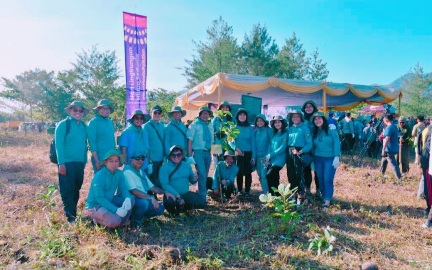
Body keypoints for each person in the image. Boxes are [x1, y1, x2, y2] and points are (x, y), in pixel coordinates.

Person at [119, 151, 176, 227]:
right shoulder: (127, 172)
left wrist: (165, 192)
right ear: (131, 160)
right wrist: (151, 198)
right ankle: (135, 223)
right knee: (143, 203)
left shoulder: (141, 172)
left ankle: (139, 216)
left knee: (160, 209)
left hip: (142, 198)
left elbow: (153, 188)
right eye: (137, 158)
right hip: (131, 200)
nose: (140, 160)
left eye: (142, 158)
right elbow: (134, 191)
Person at [55, 100, 88, 222]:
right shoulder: (63, 125)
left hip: (79, 163)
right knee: (67, 189)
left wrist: (84, 160)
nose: (78, 112)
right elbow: (59, 145)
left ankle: (73, 213)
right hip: (66, 163)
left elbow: (85, 145)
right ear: (70, 111)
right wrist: (61, 163)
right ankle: (70, 217)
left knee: (76, 188)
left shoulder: (83, 126)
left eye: (81, 110)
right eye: (75, 110)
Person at [85, 150, 133, 228]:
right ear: (105, 162)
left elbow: (123, 189)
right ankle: (97, 219)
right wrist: (116, 210)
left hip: (109, 200)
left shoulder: (119, 173)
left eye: (116, 161)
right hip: (95, 205)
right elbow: (99, 198)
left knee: (131, 200)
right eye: (111, 161)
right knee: (116, 221)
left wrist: (127, 198)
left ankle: (122, 223)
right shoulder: (99, 176)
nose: (114, 164)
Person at [160, 146, 206, 215]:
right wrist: (178, 196)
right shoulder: (164, 168)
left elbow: (192, 181)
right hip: (173, 195)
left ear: (182, 155)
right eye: (173, 155)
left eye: (179, 155)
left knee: (202, 202)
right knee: (169, 203)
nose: (176, 157)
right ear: (170, 156)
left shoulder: (187, 165)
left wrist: (195, 178)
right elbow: (165, 185)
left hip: (186, 194)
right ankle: (173, 211)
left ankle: (183, 207)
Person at [311, 112, 341, 210]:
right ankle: (324, 196)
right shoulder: (315, 131)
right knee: (320, 178)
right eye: (315, 119)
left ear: (323, 120)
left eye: (319, 118)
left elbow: (337, 142)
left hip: (330, 158)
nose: (317, 121)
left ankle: (327, 201)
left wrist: (337, 156)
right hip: (318, 158)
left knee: (327, 178)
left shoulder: (331, 129)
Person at [285, 110, 312, 205]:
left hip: (300, 152)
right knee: (290, 173)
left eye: (297, 116)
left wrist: (300, 151)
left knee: (299, 174)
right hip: (290, 152)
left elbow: (309, 144)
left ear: (300, 118)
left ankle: (300, 195)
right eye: (293, 117)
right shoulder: (289, 129)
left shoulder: (305, 128)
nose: (295, 118)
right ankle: (293, 193)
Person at [187, 106, 214, 197]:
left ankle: (199, 190)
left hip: (208, 152)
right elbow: (190, 141)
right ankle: (203, 196)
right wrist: (190, 156)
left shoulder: (210, 125)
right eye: (203, 113)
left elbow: (212, 140)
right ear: (199, 115)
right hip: (198, 153)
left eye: (207, 114)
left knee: (205, 174)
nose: (205, 115)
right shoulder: (194, 125)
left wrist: (214, 152)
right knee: (202, 174)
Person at [232, 108, 256, 198]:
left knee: (248, 172)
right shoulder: (234, 127)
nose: (242, 116)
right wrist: (235, 148)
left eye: (244, 115)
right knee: (239, 172)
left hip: (248, 153)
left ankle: (247, 191)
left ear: (246, 117)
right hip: (238, 153)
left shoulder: (251, 128)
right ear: (237, 116)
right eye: (240, 115)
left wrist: (254, 156)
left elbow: (253, 142)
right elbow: (230, 141)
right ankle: (239, 191)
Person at [87, 99, 116, 172]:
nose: (105, 110)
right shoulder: (93, 123)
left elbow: (112, 140)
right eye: (102, 108)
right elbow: (92, 143)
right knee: (101, 180)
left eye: (107, 108)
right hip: (100, 158)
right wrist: (97, 161)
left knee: (111, 180)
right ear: (98, 109)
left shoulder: (110, 122)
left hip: (111, 158)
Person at [265, 116, 288, 195]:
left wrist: (270, 155)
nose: (277, 124)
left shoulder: (285, 133)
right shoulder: (274, 134)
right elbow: (270, 146)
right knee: (274, 178)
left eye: (279, 122)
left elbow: (282, 148)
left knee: (269, 175)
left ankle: (273, 195)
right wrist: (268, 157)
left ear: (282, 123)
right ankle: (276, 197)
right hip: (272, 159)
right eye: (275, 122)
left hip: (280, 159)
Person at [143, 105, 165, 187]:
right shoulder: (146, 126)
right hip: (151, 158)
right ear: (150, 113)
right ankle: (150, 196)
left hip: (161, 158)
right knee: (150, 178)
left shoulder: (162, 126)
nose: (157, 114)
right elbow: (145, 144)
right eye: (155, 112)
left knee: (158, 178)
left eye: (159, 113)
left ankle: (155, 195)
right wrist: (148, 159)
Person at [301, 100, 319, 196]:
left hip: (317, 149)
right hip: (305, 149)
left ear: (314, 108)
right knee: (306, 170)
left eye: (310, 106)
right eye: (306, 107)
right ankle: (307, 189)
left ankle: (318, 190)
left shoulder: (318, 118)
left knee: (317, 171)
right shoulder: (302, 120)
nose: (308, 108)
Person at [380, 114, 402, 182]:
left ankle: (399, 178)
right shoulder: (394, 126)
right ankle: (380, 175)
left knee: (393, 165)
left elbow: (387, 139)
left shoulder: (389, 127)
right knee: (383, 161)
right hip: (394, 147)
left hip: (389, 149)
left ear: (386, 120)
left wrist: (383, 149)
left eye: (383, 120)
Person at [254, 114, 272, 194]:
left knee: (264, 176)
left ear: (265, 121)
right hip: (257, 157)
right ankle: (264, 191)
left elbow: (271, 143)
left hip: (265, 157)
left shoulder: (268, 130)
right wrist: (253, 156)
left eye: (261, 121)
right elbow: (253, 144)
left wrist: (268, 156)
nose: (259, 122)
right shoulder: (255, 130)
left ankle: (267, 193)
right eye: (258, 121)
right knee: (260, 176)